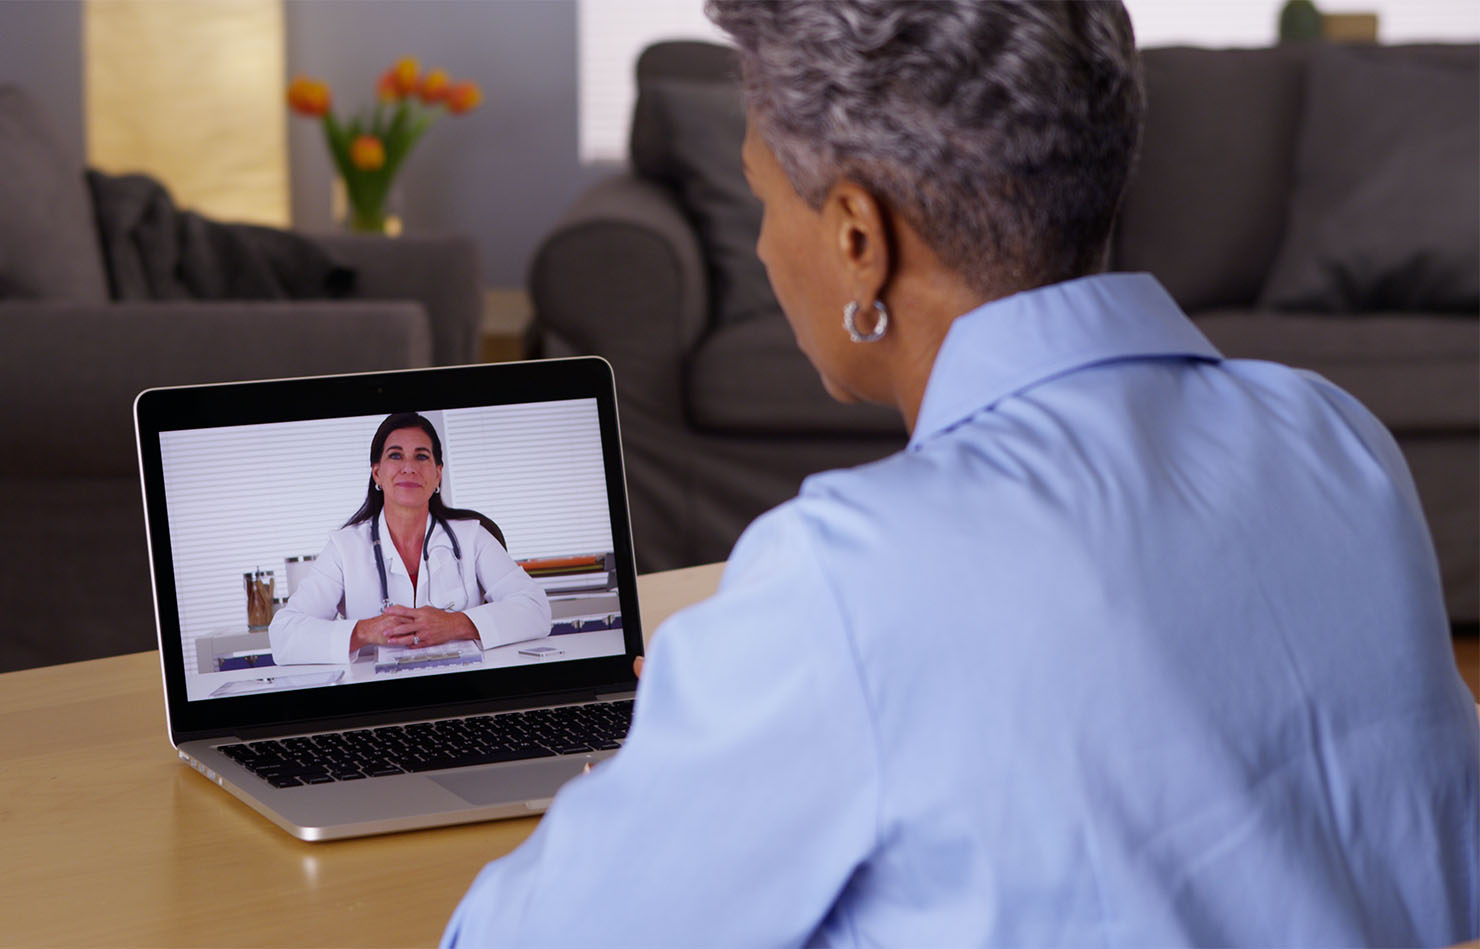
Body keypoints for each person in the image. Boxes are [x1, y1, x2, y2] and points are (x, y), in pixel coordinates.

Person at [442, 2, 1479, 945]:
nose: (761, 246)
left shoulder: (848, 579)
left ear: (858, 238)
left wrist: (681, 748)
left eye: (764, 199)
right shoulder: (1334, 438)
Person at [269, 412, 551, 665]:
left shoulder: (472, 536)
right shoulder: (345, 547)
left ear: (438, 474)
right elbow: (284, 634)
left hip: (465, 690)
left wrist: (457, 624)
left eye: (421, 456)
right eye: (395, 455)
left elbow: (536, 609)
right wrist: (366, 630)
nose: (409, 467)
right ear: (377, 473)